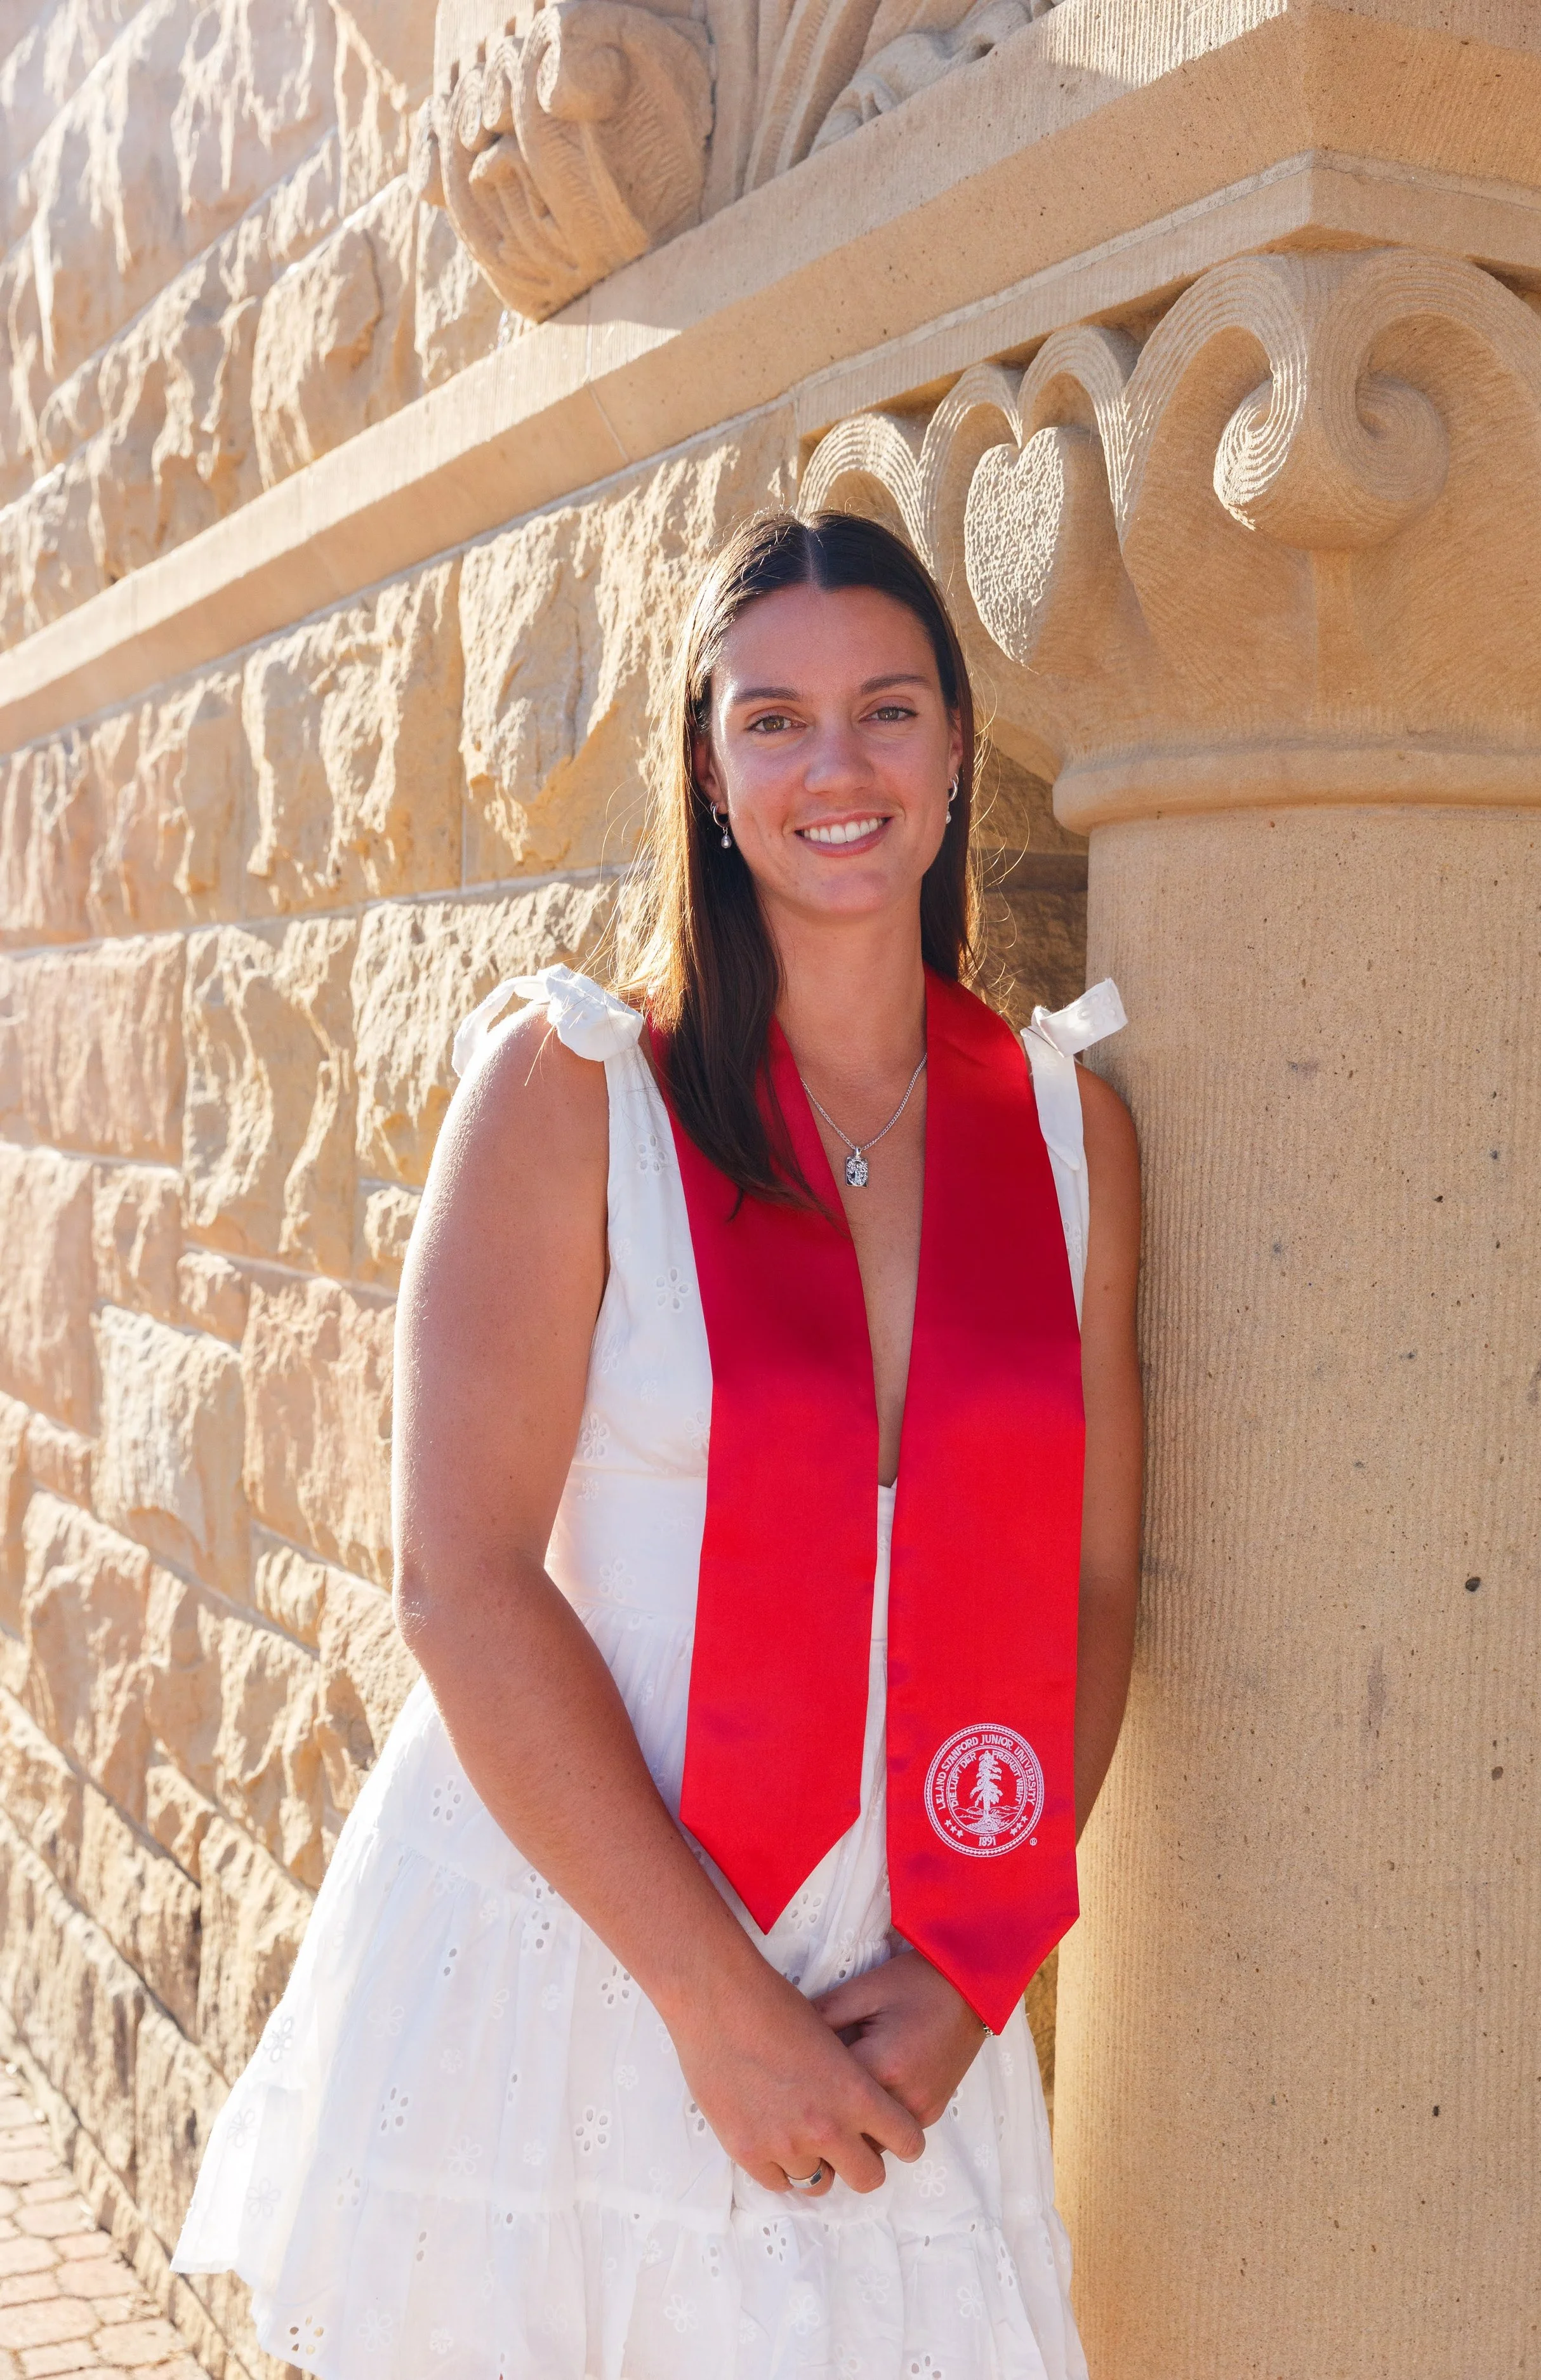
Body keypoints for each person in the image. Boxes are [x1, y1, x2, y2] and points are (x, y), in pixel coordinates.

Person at [173, 510, 1142, 2380]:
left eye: (884, 710)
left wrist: (972, 1969)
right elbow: (458, 1578)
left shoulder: (1066, 1138)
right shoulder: (575, 1094)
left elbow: (1090, 1582)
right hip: (595, 1951)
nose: (832, 766)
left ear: (953, 752)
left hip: (902, 1969)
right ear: (708, 772)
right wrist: (712, 2005)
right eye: (770, 721)